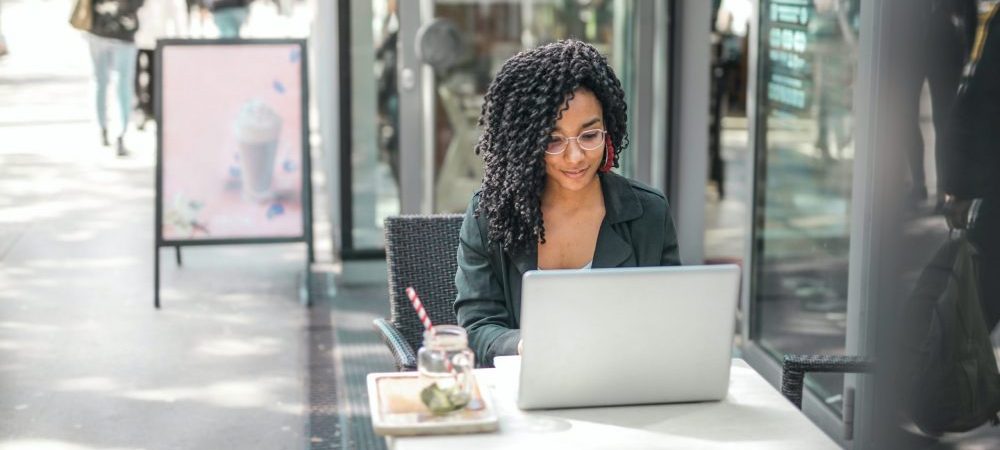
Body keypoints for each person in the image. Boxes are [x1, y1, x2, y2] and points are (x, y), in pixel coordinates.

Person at [453, 40, 681, 367]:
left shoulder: (648, 213)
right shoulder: (489, 215)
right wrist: (523, 344)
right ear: (526, 143)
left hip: (626, 386)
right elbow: (476, 328)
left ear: (609, 131)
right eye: (553, 140)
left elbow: (671, 322)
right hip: (525, 393)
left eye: (589, 136)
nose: (574, 157)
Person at [85, 0, 145, 156]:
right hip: (116, 29)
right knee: (119, 85)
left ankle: (109, 129)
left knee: (107, 82)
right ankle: (115, 132)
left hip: (105, 29)